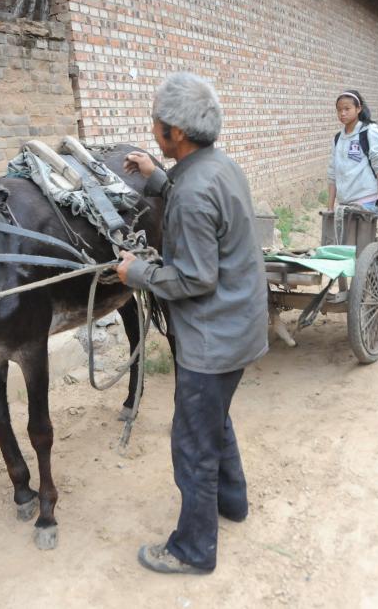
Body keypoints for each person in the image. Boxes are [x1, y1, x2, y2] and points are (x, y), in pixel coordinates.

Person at [116, 72, 269, 575]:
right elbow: (193, 195)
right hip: (238, 327)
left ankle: (193, 549)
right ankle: (233, 502)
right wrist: (157, 174)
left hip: (211, 338)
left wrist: (136, 272)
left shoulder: (195, 191)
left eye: (157, 122)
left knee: (192, 443)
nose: (153, 125)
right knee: (214, 421)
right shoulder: (219, 168)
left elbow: (196, 278)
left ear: (175, 133)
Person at [327, 89, 378, 212]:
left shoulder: (369, 131)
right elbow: (332, 173)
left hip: (366, 199)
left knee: (362, 232)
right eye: (339, 110)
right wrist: (330, 207)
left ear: (358, 108)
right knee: (344, 232)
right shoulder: (337, 139)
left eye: (347, 109)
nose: (342, 113)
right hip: (344, 202)